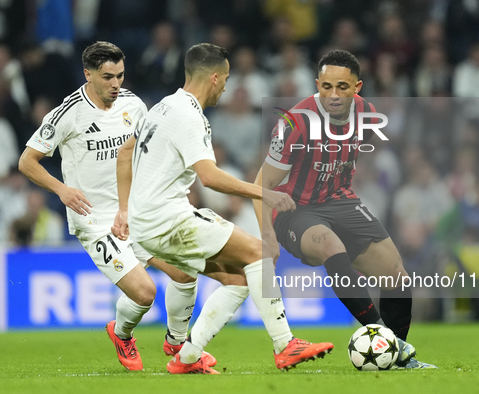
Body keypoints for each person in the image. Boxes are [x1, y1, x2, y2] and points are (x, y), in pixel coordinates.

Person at [18, 41, 241, 372]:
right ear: (88, 74)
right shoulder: (67, 114)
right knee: (145, 292)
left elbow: (146, 153)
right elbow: (27, 161)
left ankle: (179, 346)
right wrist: (61, 190)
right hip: (94, 220)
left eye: (120, 76)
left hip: (135, 211)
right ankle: (121, 333)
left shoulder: (134, 105)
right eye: (107, 77)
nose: (115, 84)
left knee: (185, 272)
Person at [114, 43, 334, 374]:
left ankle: (187, 357)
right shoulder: (190, 116)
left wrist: (127, 208)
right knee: (258, 253)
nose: (227, 87)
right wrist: (264, 194)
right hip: (169, 221)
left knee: (239, 279)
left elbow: (126, 152)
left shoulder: (160, 107)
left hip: (149, 224)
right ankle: (286, 345)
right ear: (214, 78)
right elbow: (210, 177)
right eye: (227, 78)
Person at [254, 49, 437, 369]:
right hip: (296, 209)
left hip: (341, 201)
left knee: (397, 278)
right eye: (326, 87)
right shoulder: (293, 123)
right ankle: (384, 338)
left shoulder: (366, 113)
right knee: (331, 245)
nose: (334, 95)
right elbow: (261, 185)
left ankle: (396, 357)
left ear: (358, 87)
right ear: (317, 84)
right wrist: (267, 236)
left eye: (342, 87)